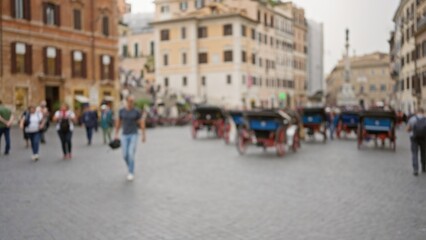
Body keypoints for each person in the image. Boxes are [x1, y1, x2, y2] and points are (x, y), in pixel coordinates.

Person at [114, 96, 146, 181]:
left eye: (133, 101)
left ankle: (131, 172)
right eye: (130, 101)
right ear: (127, 101)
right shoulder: (122, 111)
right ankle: (130, 166)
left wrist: (143, 135)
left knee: (131, 153)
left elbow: (141, 123)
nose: (132, 103)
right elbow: (118, 122)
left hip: (133, 135)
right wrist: (116, 134)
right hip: (124, 135)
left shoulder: (136, 111)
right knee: (125, 155)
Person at [406, 108, 426, 176]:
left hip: (414, 138)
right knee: (424, 152)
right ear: (423, 112)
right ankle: (424, 167)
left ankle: (415, 169)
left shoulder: (412, 119)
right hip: (424, 138)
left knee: (414, 153)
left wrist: (412, 129)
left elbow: (407, 129)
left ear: (417, 112)